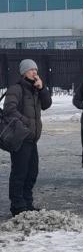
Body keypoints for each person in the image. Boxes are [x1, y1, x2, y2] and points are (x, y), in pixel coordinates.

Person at [4, 59, 52, 217]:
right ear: (24, 72)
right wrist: (26, 123)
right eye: (31, 70)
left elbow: (46, 104)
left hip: (32, 138)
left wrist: (43, 88)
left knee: (32, 172)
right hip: (21, 137)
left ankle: (27, 203)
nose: (35, 73)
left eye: (36, 70)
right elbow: (9, 110)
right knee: (20, 172)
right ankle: (18, 206)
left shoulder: (35, 89)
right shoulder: (16, 89)